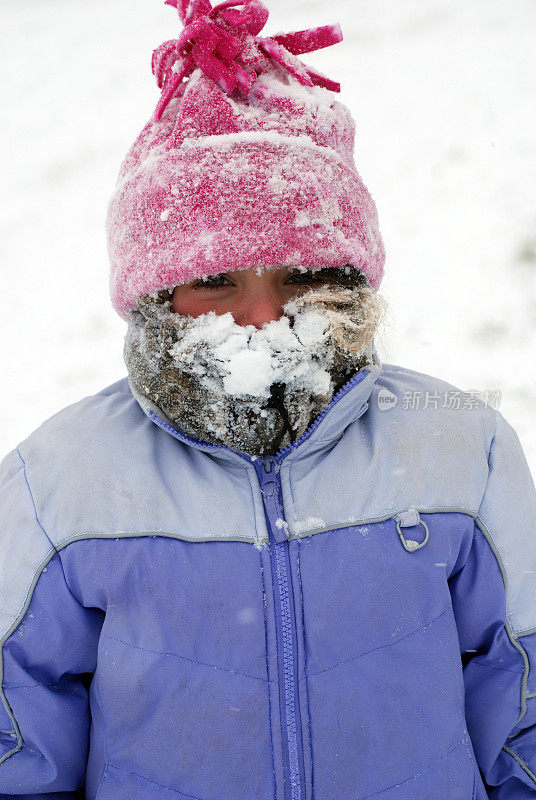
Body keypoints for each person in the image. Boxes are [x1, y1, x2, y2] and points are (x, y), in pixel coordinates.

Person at [1, 1, 535, 798]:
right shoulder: (62, 481)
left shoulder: (462, 447)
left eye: (301, 275)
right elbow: (19, 729)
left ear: (350, 278)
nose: (260, 314)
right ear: (156, 293)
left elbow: (521, 694)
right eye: (216, 280)